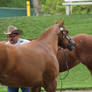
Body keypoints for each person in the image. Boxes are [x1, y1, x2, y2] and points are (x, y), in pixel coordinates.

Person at [5, 25, 30, 92]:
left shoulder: (26, 43)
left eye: (12, 36)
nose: (10, 38)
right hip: (11, 77)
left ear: (17, 35)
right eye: (9, 36)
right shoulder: (5, 46)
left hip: (24, 76)